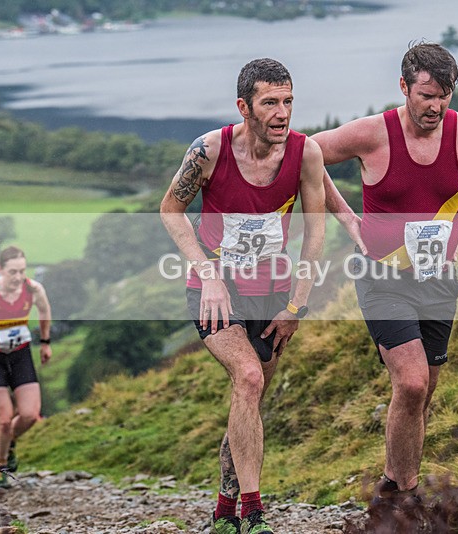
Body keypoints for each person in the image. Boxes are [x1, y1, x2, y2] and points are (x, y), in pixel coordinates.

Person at [312, 42, 458, 505]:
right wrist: (345, 216)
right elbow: (307, 155)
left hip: (437, 280)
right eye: (426, 95)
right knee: (412, 382)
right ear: (403, 87)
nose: (435, 106)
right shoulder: (373, 134)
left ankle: (393, 488)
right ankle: (405, 499)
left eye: (444, 96)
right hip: (382, 279)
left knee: (423, 394)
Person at [160, 58, 325, 534]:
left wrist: (296, 305)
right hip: (216, 293)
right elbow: (170, 210)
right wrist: (208, 273)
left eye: (288, 101)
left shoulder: (305, 154)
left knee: (248, 397)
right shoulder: (208, 151)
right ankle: (254, 514)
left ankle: (224, 510)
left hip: (272, 296)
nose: (282, 113)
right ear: (244, 107)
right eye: (270, 102)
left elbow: (316, 233)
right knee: (248, 377)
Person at [0, 246, 52, 490]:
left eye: (22, 271)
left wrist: (45, 342)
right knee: (4, 419)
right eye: (12, 272)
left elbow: (44, 310)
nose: (18, 277)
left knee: (29, 415)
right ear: (0, 270)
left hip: (20, 355)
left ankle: (8, 443)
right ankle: (0, 467)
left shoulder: (33, 289)